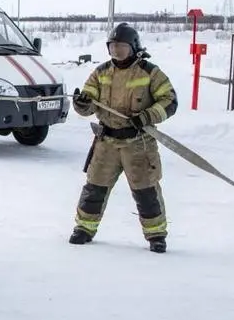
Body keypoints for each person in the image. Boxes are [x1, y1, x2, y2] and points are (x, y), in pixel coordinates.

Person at [69, 22, 178, 253]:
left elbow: (169, 101)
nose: (116, 50)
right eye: (113, 46)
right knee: (94, 188)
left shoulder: (150, 72)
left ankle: (156, 235)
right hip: (106, 143)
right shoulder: (100, 73)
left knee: (146, 191)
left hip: (138, 144)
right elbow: (88, 103)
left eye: (121, 46)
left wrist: (146, 117)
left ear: (134, 47)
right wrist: (82, 104)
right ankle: (84, 228)